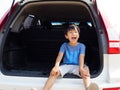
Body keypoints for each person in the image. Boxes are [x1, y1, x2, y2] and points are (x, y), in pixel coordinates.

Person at [43, 24, 99, 90]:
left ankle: (88, 88)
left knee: (86, 72)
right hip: (66, 65)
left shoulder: (82, 46)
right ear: (66, 36)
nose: (73, 34)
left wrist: (81, 68)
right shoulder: (64, 45)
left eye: (75, 32)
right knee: (54, 73)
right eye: (70, 32)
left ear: (78, 35)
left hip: (78, 66)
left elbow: (81, 58)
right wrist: (56, 66)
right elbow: (59, 56)